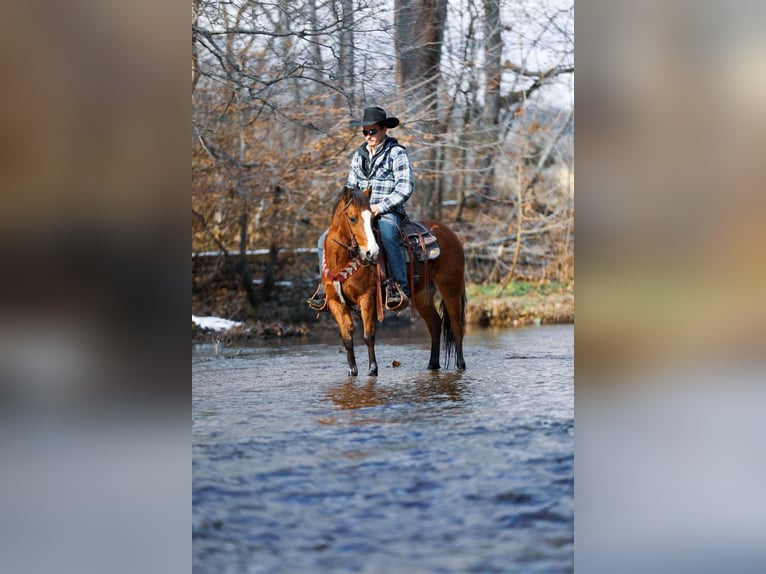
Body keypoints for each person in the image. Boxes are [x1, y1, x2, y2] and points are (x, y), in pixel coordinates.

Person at [307, 106, 413, 312]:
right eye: (365, 132)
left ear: (384, 130)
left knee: (388, 233)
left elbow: (405, 187)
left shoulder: (396, 153)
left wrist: (380, 206)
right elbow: (351, 186)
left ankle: (399, 287)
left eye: (372, 131)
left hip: (388, 210)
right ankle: (325, 287)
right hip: (361, 213)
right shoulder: (359, 155)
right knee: (324, 240)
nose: (368, 136)